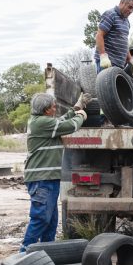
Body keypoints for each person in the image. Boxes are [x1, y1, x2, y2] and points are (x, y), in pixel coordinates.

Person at [20, 92, 90, 252]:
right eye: (53, 106)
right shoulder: (41, 123)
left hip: (47, 179)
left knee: (50, 221)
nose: (55, 108)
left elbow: (60, 121)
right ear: (46, 110)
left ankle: (46, 255)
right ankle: (23, 254)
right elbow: (71, 126)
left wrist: (76, 109)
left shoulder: (43, 122)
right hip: (41, 179)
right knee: (41, 218)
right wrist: (81, 116)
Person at [94, 0, 133, 76]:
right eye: (130, 7)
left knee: (116, 89)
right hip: (107, 63)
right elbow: (99, 35)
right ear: (122, 2)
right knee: (106, 88)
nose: (131, 11)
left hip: (119, 65)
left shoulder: (126, 22)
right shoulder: (110, 14)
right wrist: (103, 56)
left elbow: (124, 43)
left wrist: (131, 61)